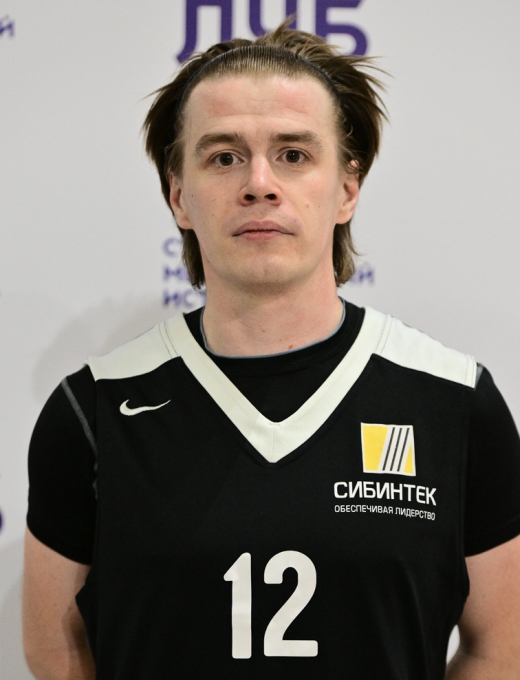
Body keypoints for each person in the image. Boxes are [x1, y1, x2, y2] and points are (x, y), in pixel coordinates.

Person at [23, 22, 520, 680]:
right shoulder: (92, 411)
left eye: (293, 154)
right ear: (179, 196)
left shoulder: (455, 402)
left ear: (347, 189)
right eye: (224, 157)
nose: (259, 183)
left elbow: (499, 648)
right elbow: (56, 649)